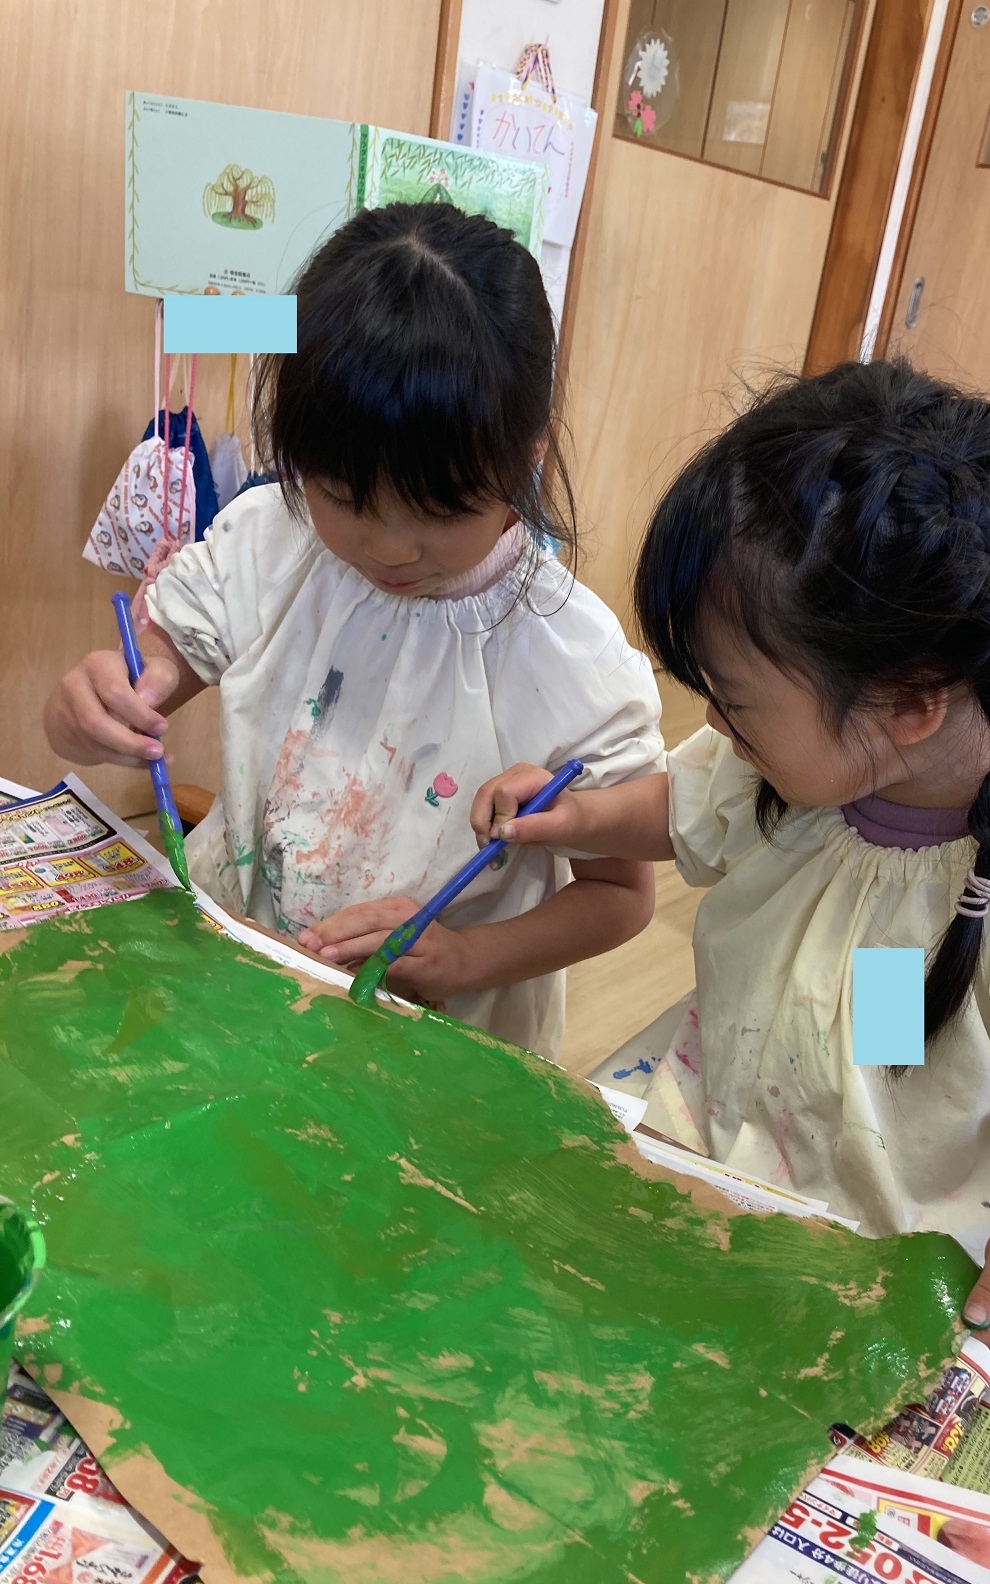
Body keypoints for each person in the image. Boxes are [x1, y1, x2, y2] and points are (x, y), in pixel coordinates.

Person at [470, 359, 990, 1356]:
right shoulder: (796, 771)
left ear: (910, 703)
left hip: (908, 1302)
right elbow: (684, 804)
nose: (715, 726)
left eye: (733, 700)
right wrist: (574, 817)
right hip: (726, 1184)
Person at [45, 203, 663, 1060]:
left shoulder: (574, 660)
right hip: (238, 993)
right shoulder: (271, 540)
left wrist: (466, 958)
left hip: (430, 1055)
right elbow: (150, 668)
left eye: (440, 509)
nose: (389, 548)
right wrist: (90, 708)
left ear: (526, 456)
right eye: (341, 496)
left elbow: (621, 895)